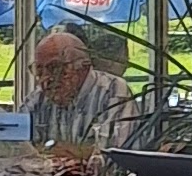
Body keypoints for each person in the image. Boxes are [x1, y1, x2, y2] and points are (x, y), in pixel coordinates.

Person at [29, 23, 135, 151]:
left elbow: (113, 153)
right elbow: (16, 147)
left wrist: (47, 150)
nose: (46, 78)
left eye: (55, 68)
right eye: (39, 71)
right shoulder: (37, 97)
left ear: (84, 67)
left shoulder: (112, 90)